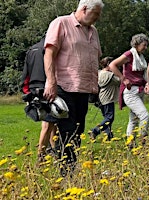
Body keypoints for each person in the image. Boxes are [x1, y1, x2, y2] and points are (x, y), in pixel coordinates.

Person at [43, 0, 104, 176]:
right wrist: (51, 82)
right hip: (64, 86)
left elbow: (94, 58)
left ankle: (69, 167)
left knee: (78, 131)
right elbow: (49, 54)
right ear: (84, 9)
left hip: (84, 89)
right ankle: (66, 173)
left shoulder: (93, 32)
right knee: (67, 131)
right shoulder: (61, 23)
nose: (98, 18)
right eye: (96, 14)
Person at [108, 33, 149, 146]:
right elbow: (112, 65)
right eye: (144, 45)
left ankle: (130, 144)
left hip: (139, 91)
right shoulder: (129, 54)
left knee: (134, 119)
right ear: (136, 44)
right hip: (130, 92)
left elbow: (142, 76)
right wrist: (123, 79)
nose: (146, 48)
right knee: (145, 115)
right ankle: (143, 142)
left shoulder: (140, 57)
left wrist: (146, 84)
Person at [20, 35, 56, 163]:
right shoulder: (49, 49)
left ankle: (53, 149)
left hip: (34, 88)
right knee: (48, 124)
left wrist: (26, 89)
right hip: (47, 87)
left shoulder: (31, 50)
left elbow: (26, 72)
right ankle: (40, 157)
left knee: (52, 122)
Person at [90, 57, 120, 141]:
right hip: (108, 98)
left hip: (100, 98)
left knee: (106, 117)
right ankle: (95, 131)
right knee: (109, 118)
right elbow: (119, 81)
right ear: (109, 64)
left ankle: (109, 135)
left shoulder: (99, 73)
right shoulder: (110, 75)